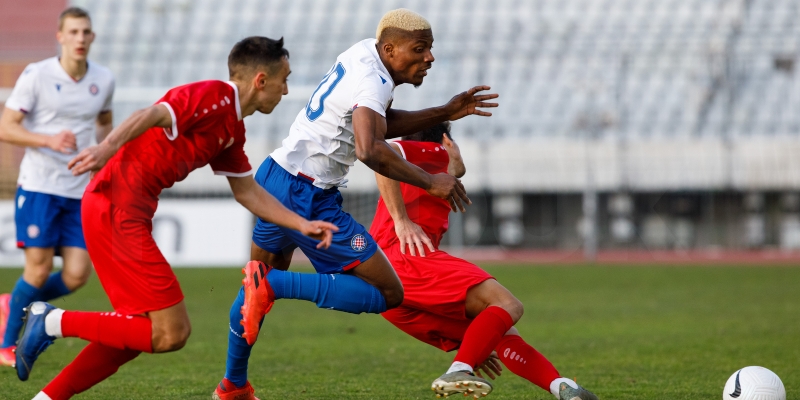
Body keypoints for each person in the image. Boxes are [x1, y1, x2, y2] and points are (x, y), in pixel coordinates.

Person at [13, 36, 338, 400]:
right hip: (115, 208)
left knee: (134, 331)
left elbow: (247, 192)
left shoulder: (233, 130)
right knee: (171, 332)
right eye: (284, 79)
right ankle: (51, 319)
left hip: (123, 211)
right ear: (261, 80)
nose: (287, 89)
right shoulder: (213, 95)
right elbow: (150, 114)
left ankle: (47, 397)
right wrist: (106, 147)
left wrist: (301, 224)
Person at [213, 8, 499, 400]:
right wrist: (430, 180)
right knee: (387, 293)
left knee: (252, 290)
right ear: (390, 49)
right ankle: (276, 285)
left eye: (430, 50)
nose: (429, 58)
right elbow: (369, 148)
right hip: (309, 196)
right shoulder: (374, 79)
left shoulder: (363, 53)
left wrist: (444, 112)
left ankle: (232, 385)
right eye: (420, 49)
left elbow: (378, 122)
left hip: (275, 177)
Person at [372, 122, 599, 400]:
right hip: (406, 262)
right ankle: (460, 368)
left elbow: (429, 171)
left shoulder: (431, 179)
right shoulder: (433, 151)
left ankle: (562, 387)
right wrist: (401, 220)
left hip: (388, 291)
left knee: (500, 330)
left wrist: (456, 169)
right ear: (446, 140)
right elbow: (383, 153)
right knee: (507, 304)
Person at [0, 7, 114, 367]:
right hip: (39, 186)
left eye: (86, 32)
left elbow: (105, 123)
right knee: (37, 268)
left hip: (79, 189)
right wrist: (48, 140)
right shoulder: (37, 75)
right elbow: (6, 127)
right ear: (60, 36)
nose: (80, 38)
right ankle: (5, 344)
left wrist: (102, 152)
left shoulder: (104, 79)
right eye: (74, 32)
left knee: (77, 274)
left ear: (92, 37)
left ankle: (11, 303)